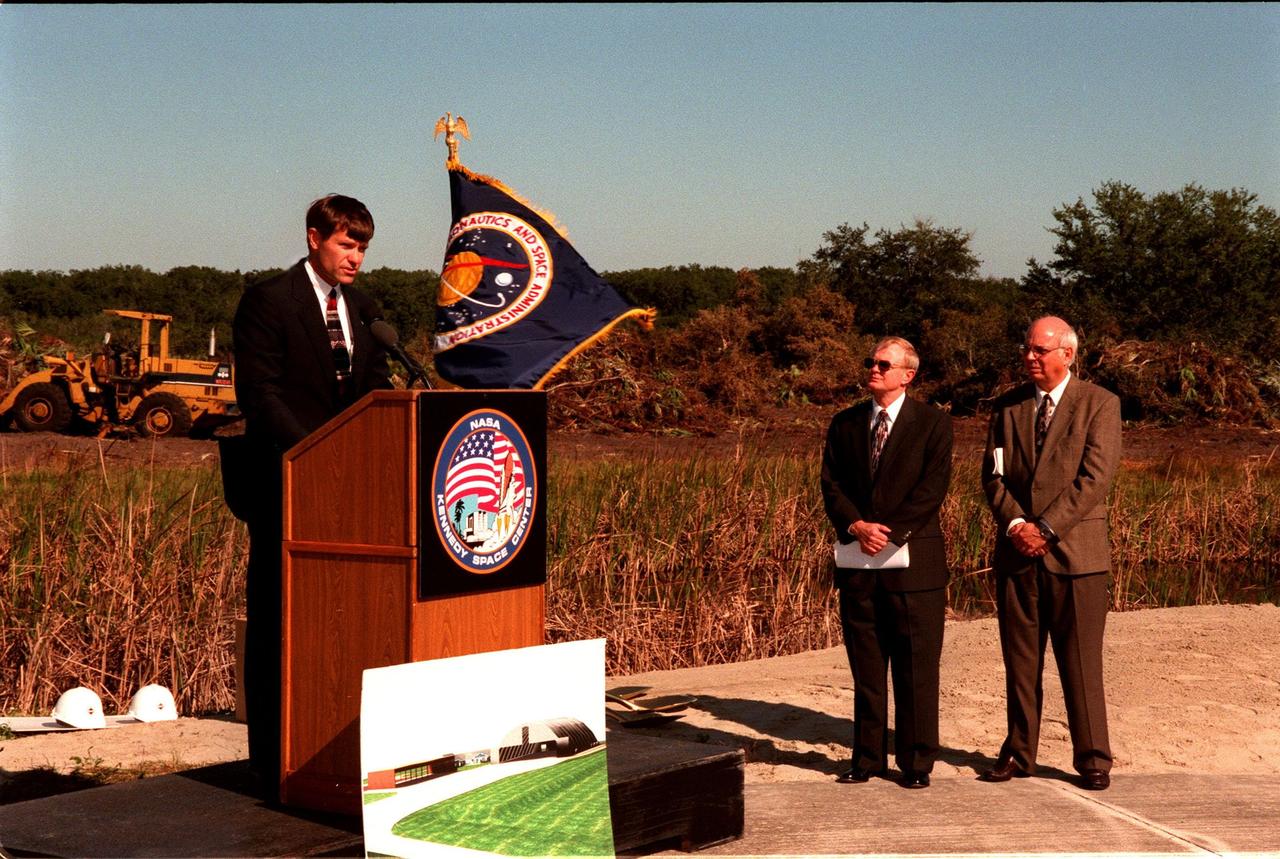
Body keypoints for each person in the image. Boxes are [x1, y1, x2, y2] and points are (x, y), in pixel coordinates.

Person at [227, 194, 392, 797]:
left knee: (339, 624)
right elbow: (261, 395)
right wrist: (315, 457)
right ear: (313, 237)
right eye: (347, 244)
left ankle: (330, 756)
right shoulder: (269, 301)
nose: (357, 258)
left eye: (364, 247)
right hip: (285, 483)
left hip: (350, 493)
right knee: (279, 618)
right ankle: (271, 764)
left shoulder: (365, 308)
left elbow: (375, 387)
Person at [979, 315, 1121, 791]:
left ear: (1068, 354)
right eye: (1027, 349)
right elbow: (992, 477)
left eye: (1040, 350)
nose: (1030, 357)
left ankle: (1093, 758)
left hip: (1076, 558)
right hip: (1017, 554)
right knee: (1021, 663)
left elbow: (1095, 478)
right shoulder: (1006, 407)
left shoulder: (1099, 404)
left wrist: (1046, 528)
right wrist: (1018, 524)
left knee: (1081, 663)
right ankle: (1019, 753)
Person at [821, 336, 953, 789]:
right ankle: (867, 757)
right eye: (870, 361)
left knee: (916, 668)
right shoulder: (844, 424)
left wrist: (890, 532)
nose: (873, 369)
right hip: (858, 561)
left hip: (915, 567)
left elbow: (932, 490)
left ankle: (916, 763)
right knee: (867, 668)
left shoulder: (934, 425)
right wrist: (857, 525)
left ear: (907, 374)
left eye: (883, 364)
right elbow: (831, 484)